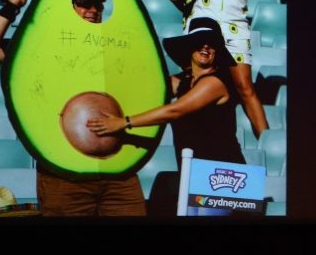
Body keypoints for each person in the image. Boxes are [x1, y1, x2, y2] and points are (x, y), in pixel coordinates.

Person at [0, 0, 147, 217]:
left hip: (119, 171)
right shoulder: (41, 48)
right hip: (63, 173)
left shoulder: (117, 50)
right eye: (83, 4)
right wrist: (11, 8)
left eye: (97, 5)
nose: (92, 10)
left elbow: (149, 87)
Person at [158, 0, 284, 141]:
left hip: (236, 28)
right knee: (192, 82)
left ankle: (267, 143)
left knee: (246, 89)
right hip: (205, 27)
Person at [85, 17, 244, 168]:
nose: (206, 47)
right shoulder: (182, 81)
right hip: (195, 172)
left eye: (212, 43)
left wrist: (123, 122)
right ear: (189, 46)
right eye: (200, 41)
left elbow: (175, 111)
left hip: (226, 174)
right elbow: (146, 89)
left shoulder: (215, 82)